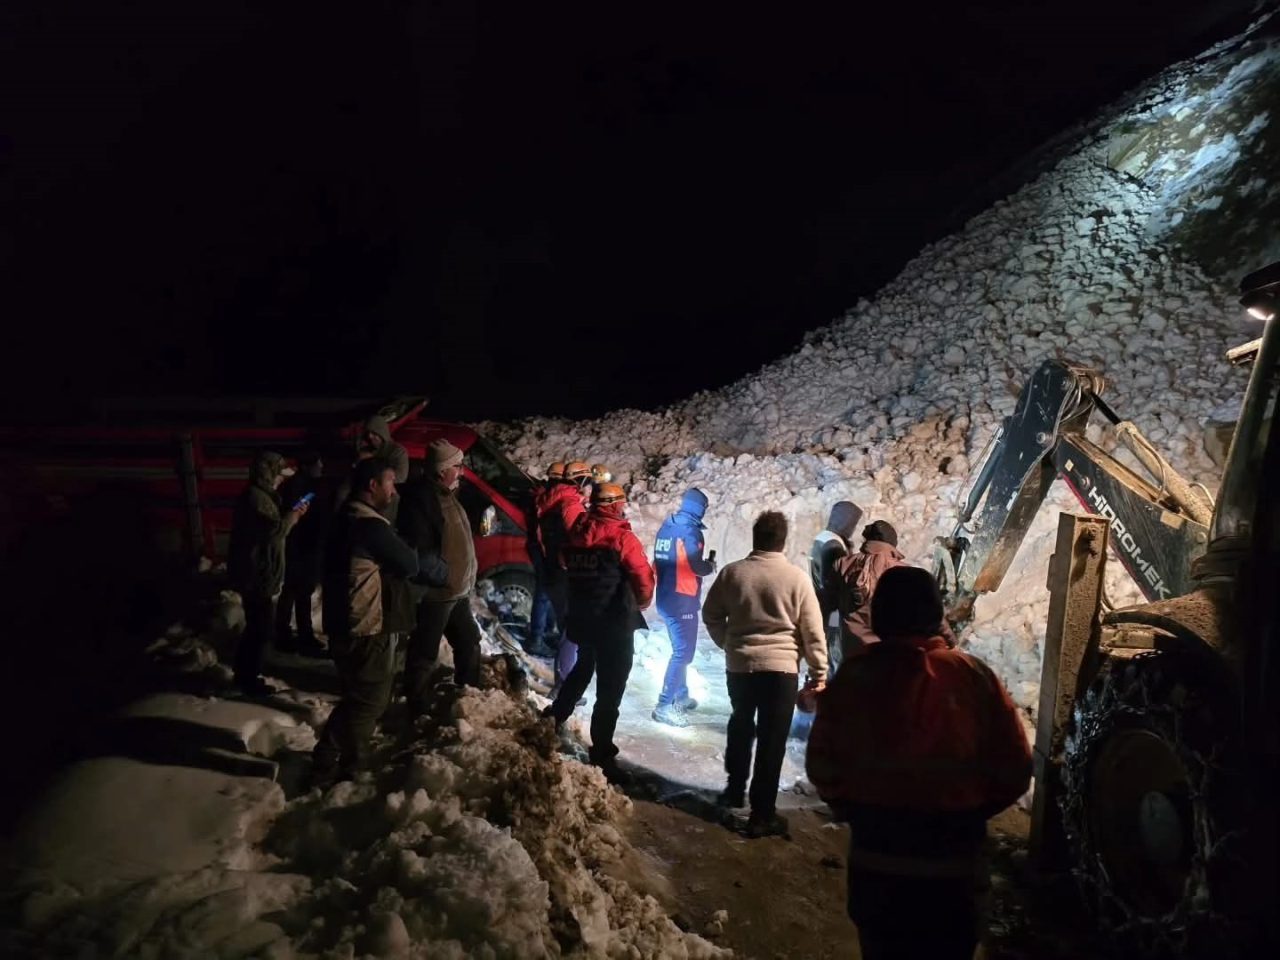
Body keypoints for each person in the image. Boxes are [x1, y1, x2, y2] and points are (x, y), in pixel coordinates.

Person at [806, 566, 1032, 960]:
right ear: (934, 613)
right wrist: (971, 813)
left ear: (881, 615)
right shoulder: (973, 677)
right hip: (955, 874)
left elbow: (823, 765)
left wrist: (855, 809)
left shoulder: (856, 676)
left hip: (878, 872)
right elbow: (1015, 767)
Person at [702, 510, 827, 837]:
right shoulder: (797, 579)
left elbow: (711, 615)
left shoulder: (733, 574)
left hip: (740, 668)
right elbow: (813, 633)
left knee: (741, 724)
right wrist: (819, 674)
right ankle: (762, 813)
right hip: (781, 671)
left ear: (755, 538)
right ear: (783, 541)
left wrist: (729, 644)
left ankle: (733, 790)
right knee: (772, 741)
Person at [313, 458, 420, 784]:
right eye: (389, 482)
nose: (394, 489)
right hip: (364, 626)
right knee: (369, 700)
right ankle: (347, 767)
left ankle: (330, 757)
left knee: (358, 695)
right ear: (372, 485)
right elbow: (409, 563)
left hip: (343, 622)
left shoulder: (344, 517)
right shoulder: (369, 525)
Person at [543, 482, 655, 785]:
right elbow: (643, 579)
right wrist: (641, 601)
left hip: (584, 618)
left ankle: (555, 717)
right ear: (616, 505)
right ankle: (603, 752)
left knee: (582, 668)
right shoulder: (622, 538)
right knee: (610, 690)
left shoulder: (577, 534)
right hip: (614, 623)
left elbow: (564, 561)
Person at [402, 439, 483, 711]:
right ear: (441, 471)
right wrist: (445, 576)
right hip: (439, 593)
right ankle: (416, 705)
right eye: (457, 467)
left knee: (469, 640)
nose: (461, 472)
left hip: (455, 591)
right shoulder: (423, 500)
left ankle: (469, 697)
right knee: (425, 651)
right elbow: (421, 552)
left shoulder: (447, 494)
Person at [227, 450, 308, 695]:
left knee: (258, 628)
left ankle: (247, 676)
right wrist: (293, 516)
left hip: (259, 573)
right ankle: (247, 680)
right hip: (255, 575)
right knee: (259, 629)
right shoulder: (255, 498)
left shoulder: (263, 496)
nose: (282, 479)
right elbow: (273, 532)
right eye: (279, 475)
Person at [651, 488, 717, 727]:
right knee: (683, 653)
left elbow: (658, 562)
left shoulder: (666, 528)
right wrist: (709, 566)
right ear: (699, 509)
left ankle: (681, 694)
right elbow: (696, 565)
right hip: (682, 600)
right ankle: (664, 705)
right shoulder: (690, 532)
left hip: (666, 597)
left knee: (680, 650)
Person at [540, 460, 593, 694]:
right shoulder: (569, 502)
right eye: (587, 480)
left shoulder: (553, 497)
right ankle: (563, 685)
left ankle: (564, 680)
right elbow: (579, 539)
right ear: (580, 479)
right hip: (564, 572)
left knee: (567, 628)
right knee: (571, 629)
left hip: (552, 566)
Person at [274, 452, 328, 656]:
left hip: (303, 546)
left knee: (299, 591)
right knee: (295, 591)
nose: (321, 465)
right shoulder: (301, 487)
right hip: (300, 547)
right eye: (317, 461)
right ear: (306, 465)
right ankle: (287, 635)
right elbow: (297, 512)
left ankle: (298, 634)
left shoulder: (306, 485)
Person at [834, 520, 905, 656]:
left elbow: (831, 601)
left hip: (851, 651)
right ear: (892, 543)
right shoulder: (903, 571)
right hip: (887, 653)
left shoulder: (842, 564)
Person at [809, 501, 863, 670]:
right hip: (834, 614)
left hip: (821, 606)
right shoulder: (834, 545)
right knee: (835, 662)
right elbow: (834, 583)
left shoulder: (821, 538)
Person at [356, 414, 410, 484]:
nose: (370, 436)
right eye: (368, 433)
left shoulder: (398, 452)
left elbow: (401, 477)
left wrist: (373, 460)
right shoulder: (366, 449)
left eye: (374, 433)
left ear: (382, 433)